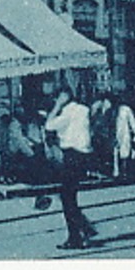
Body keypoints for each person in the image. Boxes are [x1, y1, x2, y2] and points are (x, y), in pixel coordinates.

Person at [43, 87, 96, 250]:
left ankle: (76, 237)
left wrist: (57, 106)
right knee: (70, 197)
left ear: (63, 97)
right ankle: (84, 229)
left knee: (67, 199)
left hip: (71, 156)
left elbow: (49, 126)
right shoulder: (83, 110)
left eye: (57, 97)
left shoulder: (66, 113)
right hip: (84, 155)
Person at [112, 100, 135, 181]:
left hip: (117, 133)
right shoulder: (126, 109)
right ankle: (124, 172)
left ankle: (117, 172)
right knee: (124, 154)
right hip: (124, 134)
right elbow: (133, 123)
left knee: (116, 153)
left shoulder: (113, 109)